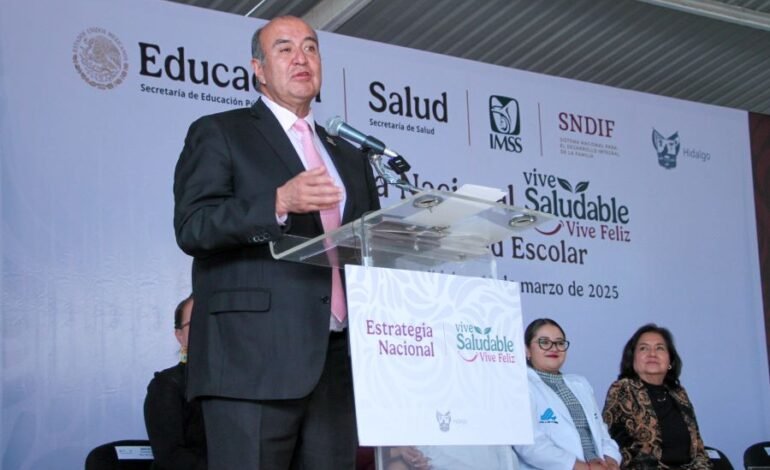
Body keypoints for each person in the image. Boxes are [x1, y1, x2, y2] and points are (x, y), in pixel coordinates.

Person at [173, 15, 380, 470]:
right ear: (259, 69)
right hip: (252, 361)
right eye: (284, 49)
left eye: (310, 47)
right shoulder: (221, 132)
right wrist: (278, 202)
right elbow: (193, 226)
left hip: (337, 362)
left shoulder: (349, 155)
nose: (301, 58)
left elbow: (368, 248)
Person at [514, 318, 620, 470]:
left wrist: (611, 461)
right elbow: (529, 444)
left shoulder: (581, 384)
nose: (554, 348)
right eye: (544, 342)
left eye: (559, 343)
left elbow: (602, 433)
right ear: (527, 350)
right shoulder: (520, 385)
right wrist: (582, 467)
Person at [602, 324, 711, 469]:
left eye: (660, 348)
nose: (652, 354)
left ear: (670, 361)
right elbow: (619, 445)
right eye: (644, 348)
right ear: (633, 358)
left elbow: (698, 447)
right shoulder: (622, 389)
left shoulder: (679, 393)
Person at [143, 295, 206, 470]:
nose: (206, 329)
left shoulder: (244, 384)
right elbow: (171, 458)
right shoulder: (166, 386)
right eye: (196, 323)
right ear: (180, 336)